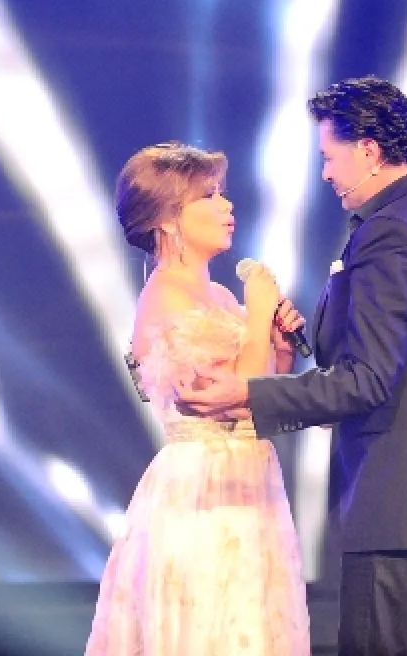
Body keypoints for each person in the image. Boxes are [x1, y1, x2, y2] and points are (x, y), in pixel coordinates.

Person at [179, 77, 407, 655]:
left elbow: (367, 380)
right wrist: (309, 339)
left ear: (368, 150)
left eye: (329, 157)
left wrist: (250, 394)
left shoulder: (393, 231)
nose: (325, 174)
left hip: (402, 502)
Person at [85, 142, 310, 655]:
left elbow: (259, 393)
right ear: (168, 219)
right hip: (205, 491)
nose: (226, 205)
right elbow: (222, 398)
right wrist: (260, 313)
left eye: (222, 193)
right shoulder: (165, 295)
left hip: (249, 480)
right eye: (208, 196)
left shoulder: (222, 297)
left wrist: (279, 348)